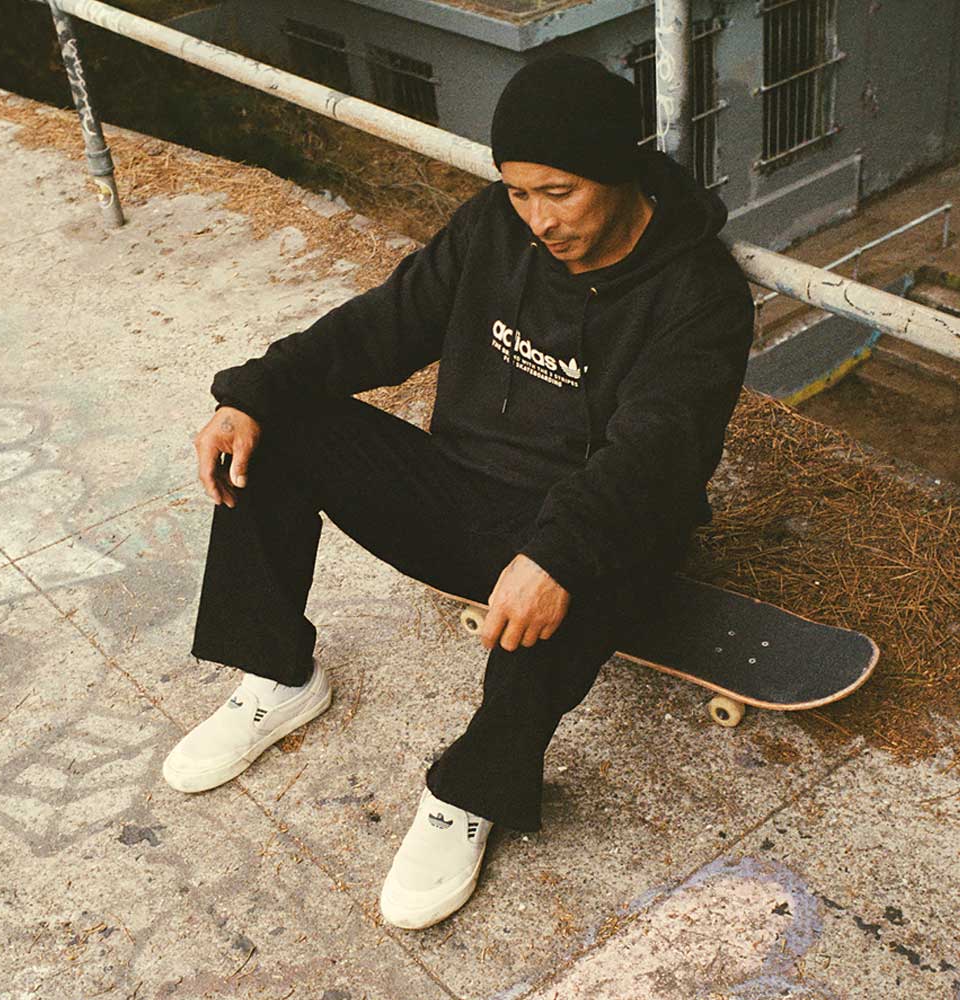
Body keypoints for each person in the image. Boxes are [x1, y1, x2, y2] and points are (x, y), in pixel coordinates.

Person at [161, 53, 755, 930]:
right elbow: (381, 326)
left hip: (598, 517)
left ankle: (468, 790)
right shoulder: (495, 230)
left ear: (619, 172)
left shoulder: (699, 293)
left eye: (558, 192)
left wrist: (554, 553)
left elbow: (655, 456)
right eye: (518, 192)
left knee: (590, 561)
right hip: (462, 491)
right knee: (279, 425)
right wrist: (250, 392)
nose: (538, 220)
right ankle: (280, 676)